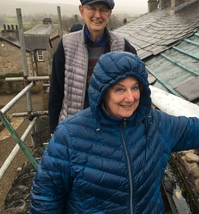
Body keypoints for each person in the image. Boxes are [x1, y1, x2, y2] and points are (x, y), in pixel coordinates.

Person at [30, 52, 199, 214]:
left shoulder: (156, 124)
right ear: (102, 92)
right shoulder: (70, 135)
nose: (130, 98)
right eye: (119, 89)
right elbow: (46, 197)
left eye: (135, 87)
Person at [48, 0, 137, 135]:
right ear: (82, 11)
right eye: (92, 8)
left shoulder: (123, 46)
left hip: (111, 129)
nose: (97, 15)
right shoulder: (66, 45)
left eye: (103, 10)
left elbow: (138, 86)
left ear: (109, 14)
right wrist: (54, 129)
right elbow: (56, 89)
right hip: (74, 128)